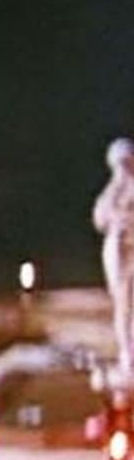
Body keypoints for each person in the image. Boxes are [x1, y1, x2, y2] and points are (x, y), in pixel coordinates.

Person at [96, 138, 134, 375]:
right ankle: (127, 355)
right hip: (118, 248)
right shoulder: (112, 192)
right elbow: (100, 219)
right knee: (122, 303)